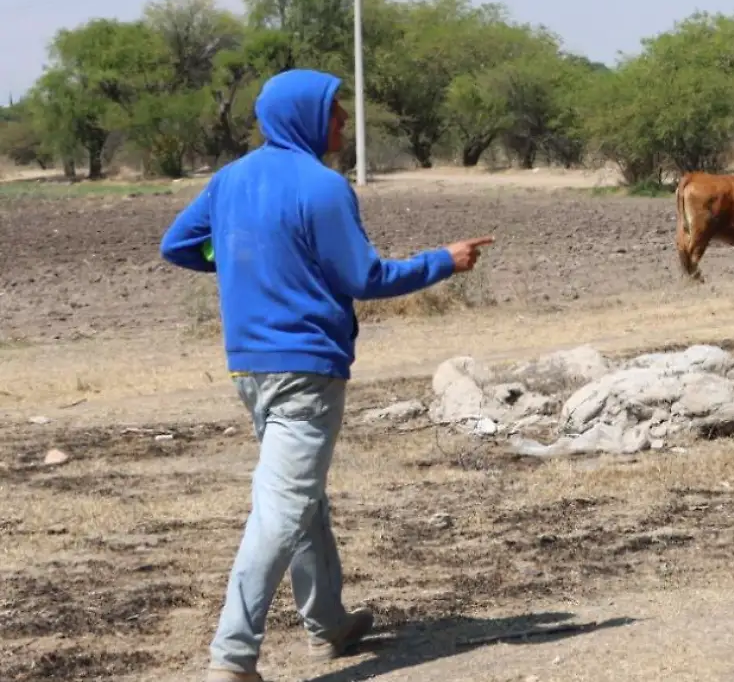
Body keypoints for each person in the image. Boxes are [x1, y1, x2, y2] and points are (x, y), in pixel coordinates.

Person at [160, 69, 494, 682]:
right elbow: (366, 278)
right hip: (306, 370)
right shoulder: (323, 187)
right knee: (282, 507)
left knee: (300, 496)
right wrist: (443, 262)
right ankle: (231, 658)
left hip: (249, 369)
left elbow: (179, 246)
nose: (342, 120)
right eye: (335, 110)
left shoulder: (229, 181)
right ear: (305, 117)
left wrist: (248, 262)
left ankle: (328, 622)